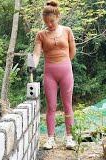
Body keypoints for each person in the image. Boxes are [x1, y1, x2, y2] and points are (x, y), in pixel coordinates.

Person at [31, 0, 76, 150]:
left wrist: (64, 63)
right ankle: (51, 138)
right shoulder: (41, 35)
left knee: (67, 105)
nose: (49, 24)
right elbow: (37, 53)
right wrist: (32, 65)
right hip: (49, 72)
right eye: (46, 22)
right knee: (51, 106)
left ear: (58, 17)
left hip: (65, 71)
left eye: (51, 21)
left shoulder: (67, 30)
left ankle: (70, 137)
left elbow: (72, 52)